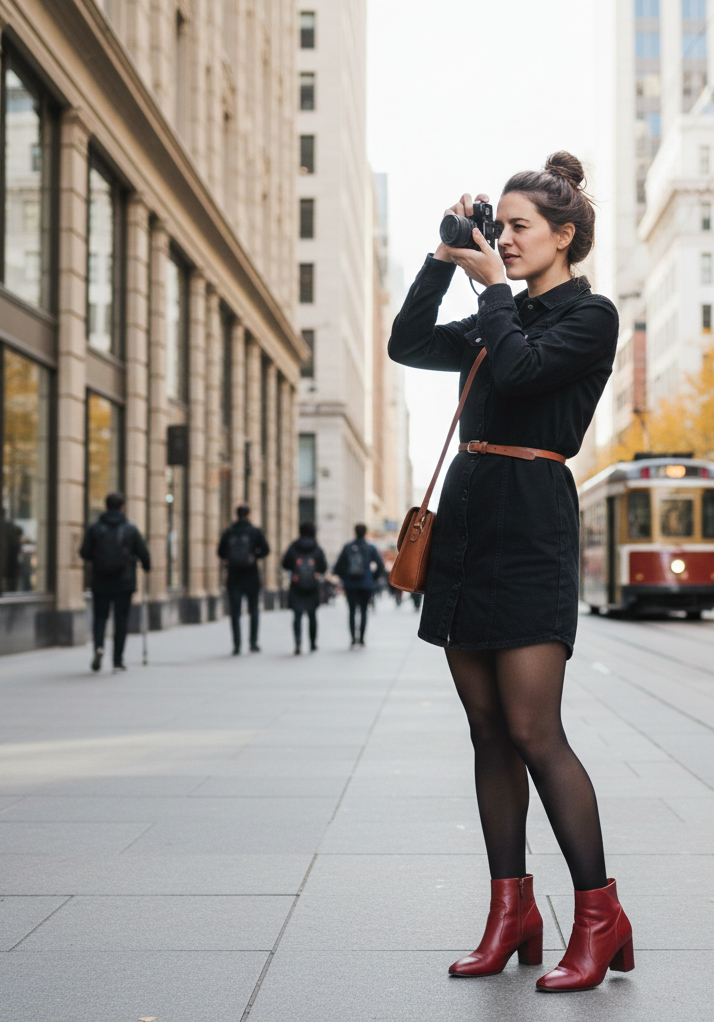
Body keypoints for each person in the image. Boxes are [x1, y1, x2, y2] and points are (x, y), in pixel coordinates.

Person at [387, 153, 631, 992]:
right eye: (503, 226)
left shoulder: (588, 316)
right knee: (487, 732)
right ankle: (510, 913)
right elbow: (409, 343)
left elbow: (525, 370)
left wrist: (491, 288)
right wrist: (443, 256)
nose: (510, 240)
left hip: (531, 522)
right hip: (467, 525)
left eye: (522, 229)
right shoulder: (500, 313)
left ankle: (599, 914)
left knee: (535, 731)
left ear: (565, 236)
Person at [80, 492, 151, 672]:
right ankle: (118, 660)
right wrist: (146, 566)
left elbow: (84, 552)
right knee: (121, 620)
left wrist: (98, 558)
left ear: (106, 506)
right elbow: (143, 553)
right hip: (124, 581)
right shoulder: (130, 528)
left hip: (101, 580)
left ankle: (99, 647)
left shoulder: (95, 528)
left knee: (100, 617)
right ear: (123, 507)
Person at [218, 504, 269, 654]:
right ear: (249, 515)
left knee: (235, 612)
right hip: (251, 576)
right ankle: (253, 643)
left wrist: (230, 559)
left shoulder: (229, 532)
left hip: (233, 576)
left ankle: (237, 644)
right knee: (254, 610)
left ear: (236, 515)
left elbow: (220, 552)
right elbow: (266, 550)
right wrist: (254, 557)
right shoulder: (255, 532)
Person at [333, 524, 385, 648]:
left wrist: (345, 578)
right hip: (366, 584)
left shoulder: (348, 547)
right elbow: (380, 565)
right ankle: (361, 638)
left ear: (355, 532)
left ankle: (352, 638)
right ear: (365, 532)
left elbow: (338, 567)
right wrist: (372, 577)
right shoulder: (370, 548)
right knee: (364, 611)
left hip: (351, 584)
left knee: (351, 611)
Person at [281, 522, 327, 653]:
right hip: (312, 585)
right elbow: (323, 567)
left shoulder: (294, 546)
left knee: (297, 615)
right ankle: (312, 643)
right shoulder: (317, 548)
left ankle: (298, 643)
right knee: (312, 615)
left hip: (297, 584)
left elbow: (285, 564)